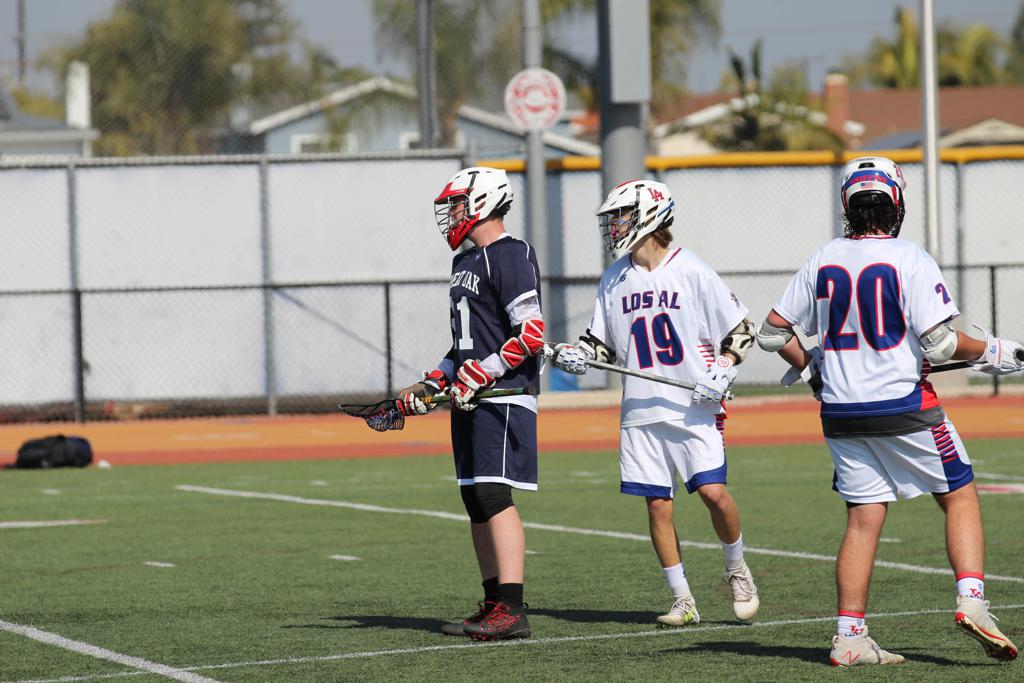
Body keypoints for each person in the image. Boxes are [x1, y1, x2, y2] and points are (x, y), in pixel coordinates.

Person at [755, 156, 1023, 666]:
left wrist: (813, 370)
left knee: (863, 517)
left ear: (848, 204)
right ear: (896, 203)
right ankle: (972, 601)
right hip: (904, 406)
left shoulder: (822, 258)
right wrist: (994, 351)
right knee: (960, 494)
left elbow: (771, 333)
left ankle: (849, 636)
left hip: (840, 413)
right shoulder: (910, 257)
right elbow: (942, 344)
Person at [554, 179, 759, 626]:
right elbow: (603, 344)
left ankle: (737, 567)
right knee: (657, 505)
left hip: (692, 405)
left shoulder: (691, 269)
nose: (614, 227)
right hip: (640, 409)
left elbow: (742, 330)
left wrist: (723, 367)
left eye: (622, 217)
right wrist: (580, 354)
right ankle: (683, 599)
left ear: (649, 215)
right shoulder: (614, 279)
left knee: (714, 494)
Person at [395, 166, 544, 641]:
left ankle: (513, 609)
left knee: (495, 495)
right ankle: (495, 601)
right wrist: (436, 378)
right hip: (469, 396)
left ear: (483, 202)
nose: (452, 214)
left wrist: (484, 371)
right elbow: (465, 340)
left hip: (502, 394)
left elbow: (532, 333)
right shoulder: (464, 261)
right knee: (474, 498)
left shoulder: (511, 253)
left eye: (458, 204)